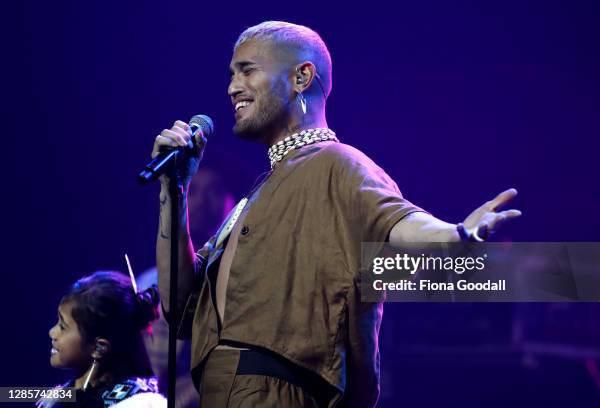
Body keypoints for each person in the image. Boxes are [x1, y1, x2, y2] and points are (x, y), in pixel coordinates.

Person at [151, 21, 521, 407]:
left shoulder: (338, 164)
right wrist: (173, 190)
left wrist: (456, 235)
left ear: (301, 76)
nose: (232, 88)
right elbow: (180, 306)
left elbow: (396, 220)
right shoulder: (258, 194)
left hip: (278, 392)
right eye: (231, 75)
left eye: (247, 70)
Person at [138, 165, 236, 408]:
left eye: (213, 190)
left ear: (231, 200)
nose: (202, 200)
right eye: (194, 191)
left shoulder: (242, 275)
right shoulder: (151, 280)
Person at [41, 271, 167, 407]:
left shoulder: (135, 403)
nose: (52, 332)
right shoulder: (61, 397)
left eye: (63, 327)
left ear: (98, 348)